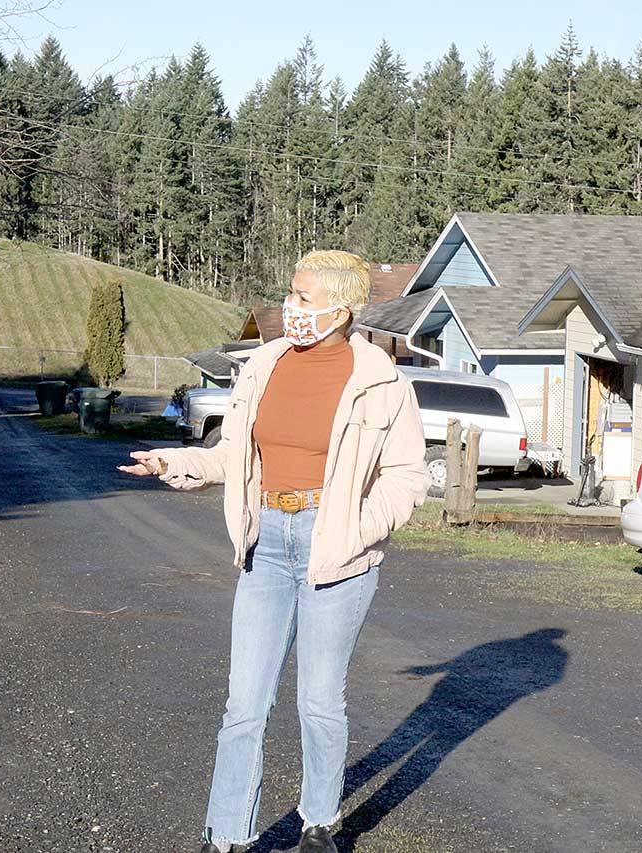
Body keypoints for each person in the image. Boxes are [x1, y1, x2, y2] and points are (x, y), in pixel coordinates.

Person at [119, 249, 429, 853]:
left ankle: (319, 824)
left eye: (304, 298)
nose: (291, 308)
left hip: (337, 550)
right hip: (267, 542)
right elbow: (230, 455)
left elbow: (407, 475)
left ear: (341, 311)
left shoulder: (383, 383)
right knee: (244, 704)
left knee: (318, 702)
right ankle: (227, 835)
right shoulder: (262, 366)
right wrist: (172, 461)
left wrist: (359, 528)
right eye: (291, 294)